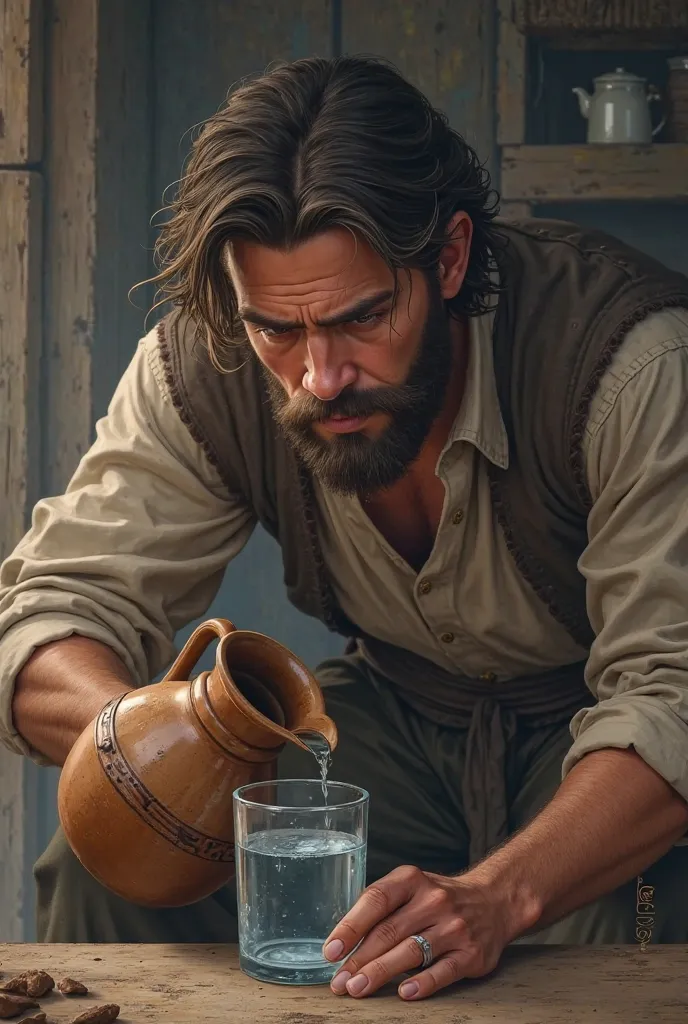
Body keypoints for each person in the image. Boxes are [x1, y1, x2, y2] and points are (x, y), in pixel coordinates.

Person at [1, 54, 688, 1002]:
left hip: (593, 731)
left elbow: (674, 692)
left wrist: (497, 895)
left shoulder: (629, 364)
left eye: (363, 317)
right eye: (277, 330)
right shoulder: (207, 366)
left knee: (633, 914)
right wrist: (154, 741)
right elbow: (51, 609)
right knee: (109, 856)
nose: (320, 377)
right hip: (388, 719)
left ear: (447, 259)